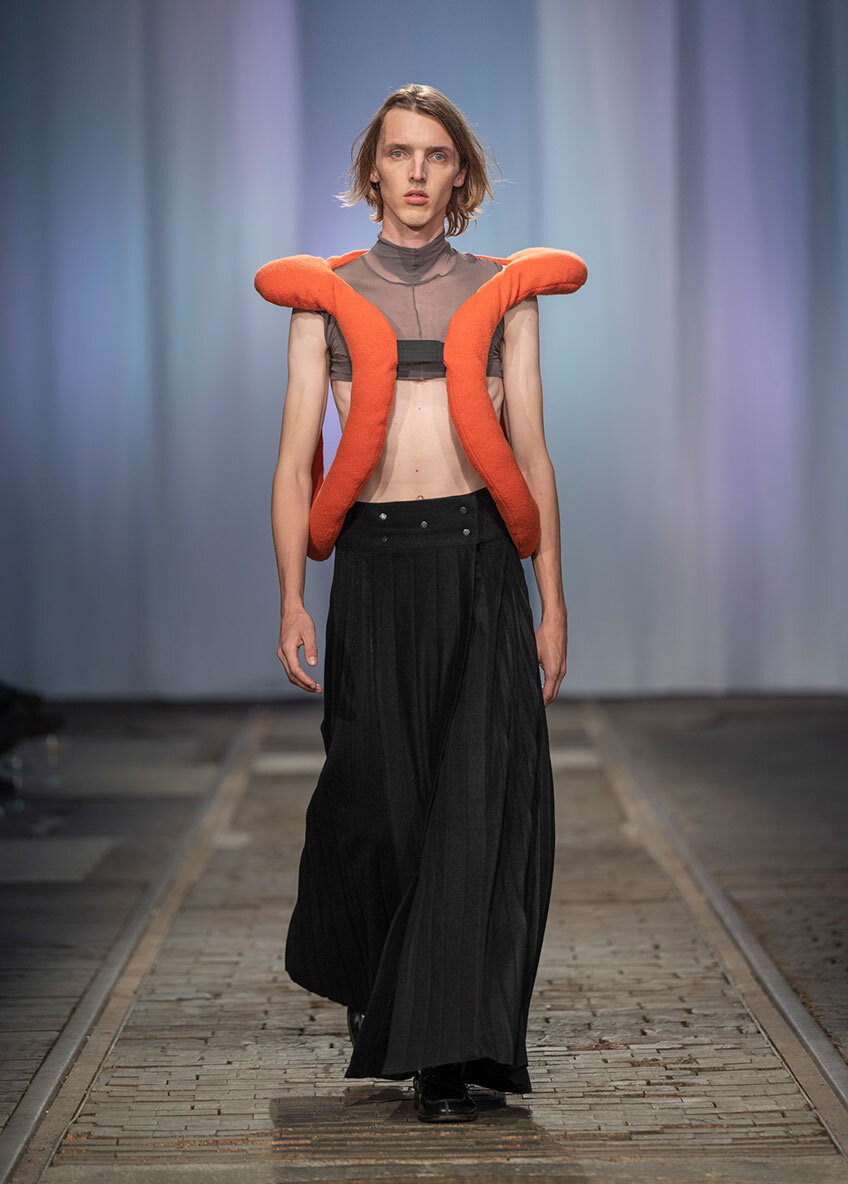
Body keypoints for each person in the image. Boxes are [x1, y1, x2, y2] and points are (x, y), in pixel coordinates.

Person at [261, 83, 581, 1123]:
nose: (415, 171)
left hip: (479, 564)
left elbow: (531, 453)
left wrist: (552, 600)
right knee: (381, 805)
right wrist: (291, 597)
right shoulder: (324, 299)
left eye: (435, 155)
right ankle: (389, 986)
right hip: (374, 568)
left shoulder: (503, 294)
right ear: (372, 172)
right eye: (398, 153)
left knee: (479, 809)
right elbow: (293, 460)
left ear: (459, 176)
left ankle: (446, 1050)